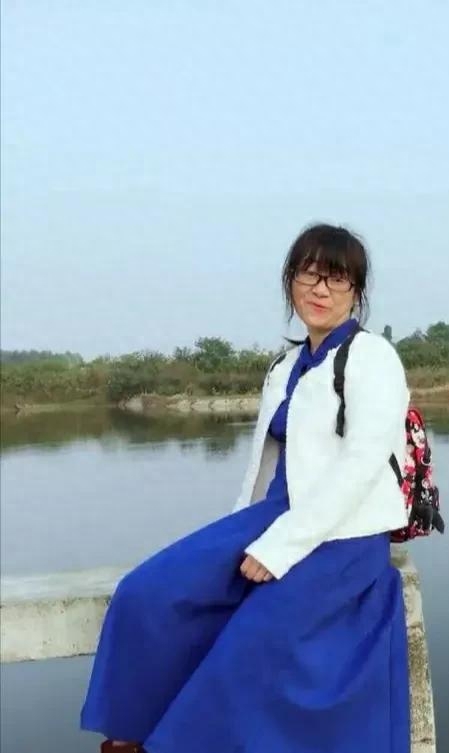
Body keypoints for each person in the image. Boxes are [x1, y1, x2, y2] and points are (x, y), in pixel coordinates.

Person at [80, 223, 412, 752]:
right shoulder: (285, 365)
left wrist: (280, 548)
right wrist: (236, 535)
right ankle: (128, 735)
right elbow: (264, 464)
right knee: (148, 592)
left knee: (254, 642)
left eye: (337, 279)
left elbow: (361, 465)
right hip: (273, 514)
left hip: (345, 534)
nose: (320, 290)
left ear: (356, 291)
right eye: (309, 275)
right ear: (290, 281)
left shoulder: (372, 357)